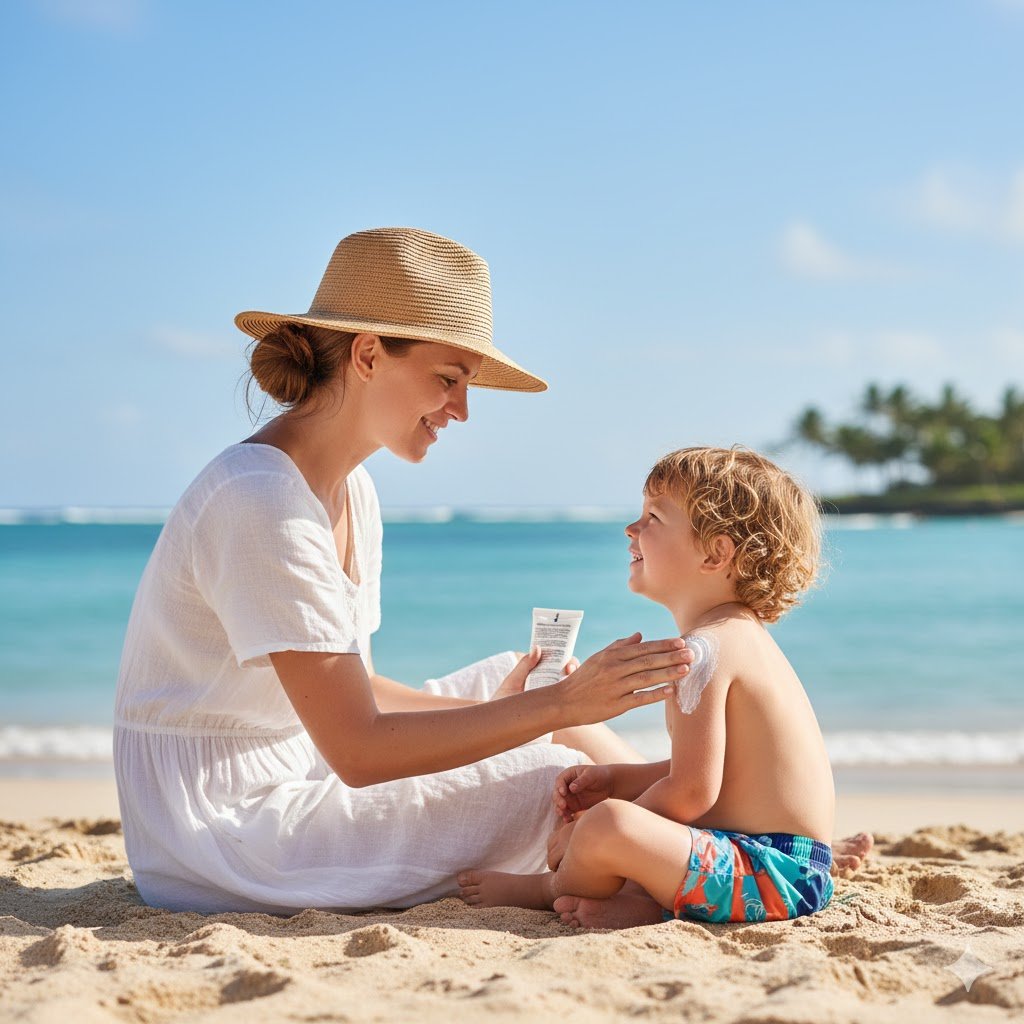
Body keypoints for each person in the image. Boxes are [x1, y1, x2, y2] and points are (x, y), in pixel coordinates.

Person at [112, 227, 693, 914]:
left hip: (301, 768)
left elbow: (352, 687)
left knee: (526, 688)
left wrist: (532, 709)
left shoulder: (350, 490)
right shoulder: (260, 499)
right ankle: (710, 851)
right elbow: (357, 749)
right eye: (448, 379)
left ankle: (705, 834)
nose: (463, 410)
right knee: (555, 766)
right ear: (366, 354)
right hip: (231, 833)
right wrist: (554, 710)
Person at [458, 446, 839, 927]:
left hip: (766, 877)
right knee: (625, 813)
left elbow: (690, 794)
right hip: (792, 871)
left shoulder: (704, 651)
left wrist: (589, 831)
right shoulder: (743, 636)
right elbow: (727, 771)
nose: (631, 530)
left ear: (716, 553)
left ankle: (548, 886)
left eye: (653, 517)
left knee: (611, 824)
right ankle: (641, 905)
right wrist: (618, 778)